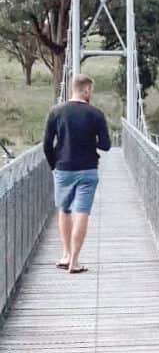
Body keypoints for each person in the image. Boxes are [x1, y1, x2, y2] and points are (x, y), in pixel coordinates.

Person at [43, 73, 111, 274]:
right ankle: (74, 261)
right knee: (82, 212)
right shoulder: (96, 114)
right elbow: (106, 145)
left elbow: (47, 145)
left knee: (64, 210)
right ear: (86, 89)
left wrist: (54, 165)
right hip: (88, 170)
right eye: (91, 90)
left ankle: (65, 254)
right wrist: (92, 141)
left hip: (63, 169)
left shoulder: (56, 111)